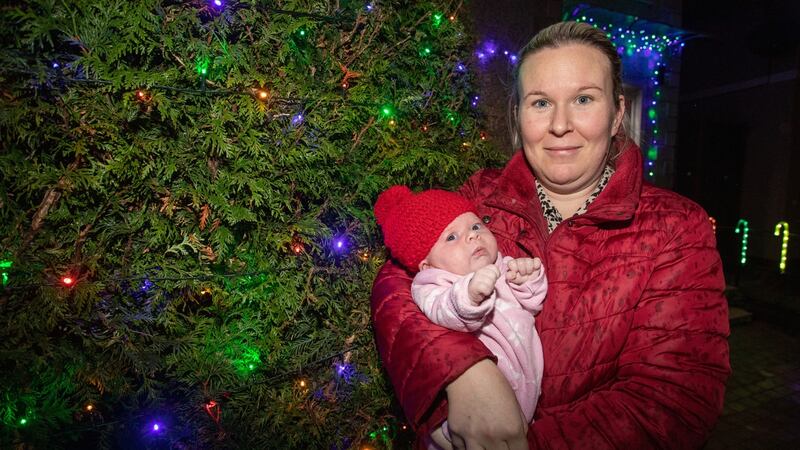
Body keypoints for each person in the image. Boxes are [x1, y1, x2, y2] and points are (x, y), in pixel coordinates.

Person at [371, 20, 730, 450]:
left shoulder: (675, 227)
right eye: (540, 103)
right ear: (518, 115)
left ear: (617, 112)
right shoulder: (478, 198)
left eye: (583, 99)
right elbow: (397, 280)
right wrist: (463, 371)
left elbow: (674, 401)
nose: (560, 125)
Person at [373, 185, 548, 449]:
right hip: (471, 419)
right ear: (427, 264)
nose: (471, 237)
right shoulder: (432, 282)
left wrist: (528, 279)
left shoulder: (500, 263)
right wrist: (469, 295)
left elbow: (533, 304)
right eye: (451, 237)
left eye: (476, 227)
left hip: (525, 399)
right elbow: (443, 311)